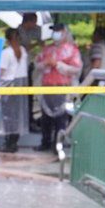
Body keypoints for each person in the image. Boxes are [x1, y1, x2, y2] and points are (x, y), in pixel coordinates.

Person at [35, 23, 81, 151]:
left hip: (62, 88)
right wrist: (45, 63)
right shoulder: (47, 49)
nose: (55, 33)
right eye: (53, 30)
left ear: (65, 32)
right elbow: (37, 65)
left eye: (58, 30)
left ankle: (58, 145)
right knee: (46, 118)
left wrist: (57, 64)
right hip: (47, 87)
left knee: (61, 119)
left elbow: (76, 69)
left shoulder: (72, 50)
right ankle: (45, 142)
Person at [0, 27, 29, 153]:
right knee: (18, 115)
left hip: (8, 86)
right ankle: (13, 142)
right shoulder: (23, 51)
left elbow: (1, 72)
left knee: (8, 115)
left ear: (7, 39)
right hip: (20, 85)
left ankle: (8, 143)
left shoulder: (6, 53)